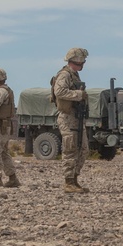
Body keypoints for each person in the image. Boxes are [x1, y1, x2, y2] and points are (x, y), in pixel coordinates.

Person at [51, 47, 89, 193]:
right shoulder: (64, 75)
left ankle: (74, 179)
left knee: (83, 149)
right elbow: (59, 92)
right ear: (76, 61)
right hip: (67, 118)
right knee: (70, 149)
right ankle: (68, 182)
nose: (83, 64)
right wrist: (78, 94)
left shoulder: (74, 75)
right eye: (82, 61)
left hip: (76, 118)